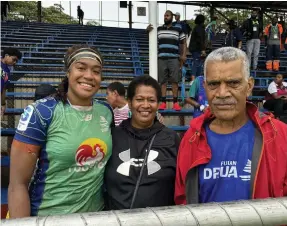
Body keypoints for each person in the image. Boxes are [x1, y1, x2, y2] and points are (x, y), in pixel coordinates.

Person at [8, 45, 114, 218]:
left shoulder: (106, 112)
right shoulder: (40, 112)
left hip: (96, 217)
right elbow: (17, 185)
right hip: (48, 218)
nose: (89, 76)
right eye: (81, 68)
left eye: (96, 71)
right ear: (68, 72)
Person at [175, 47, 287, 205]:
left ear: (249, 86)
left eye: (233, 83)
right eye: (214, 84)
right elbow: (182, 202)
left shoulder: (280, 135)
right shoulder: (191, 139)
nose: (222, 93)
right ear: (205, 88)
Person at [104, 75, 180, 210]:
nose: (145, 105)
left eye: (151, 100)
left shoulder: (171, 139)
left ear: (157, 104)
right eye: (139, 99)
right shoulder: (112, 136)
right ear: (130, 102)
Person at [147, 10, 187, 111]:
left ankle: (175, 103)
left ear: (172, 17)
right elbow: (150, 37)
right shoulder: (159, 29)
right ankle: (163, 102)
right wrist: (147, 31)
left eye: (167, 15)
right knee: (162, 81)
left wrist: (183, 54)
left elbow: (183, 42)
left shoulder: (178, 29)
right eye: (164, 15)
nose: (165, 17)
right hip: (161, 58)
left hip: (174, 58)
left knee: (174, 81)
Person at [1, 48, 22, 116]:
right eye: (14, 59)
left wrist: (3, 104)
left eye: (16, 61)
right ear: (6, 55)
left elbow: (3, 89)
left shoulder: (7, 71)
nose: (15, 62)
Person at [189, 14, 206, 82]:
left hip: (196, 48)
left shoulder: (197, 27)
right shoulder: (199, 27)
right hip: (197, 49)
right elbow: (200, 39)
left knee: (199, 64)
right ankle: (193, 80)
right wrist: (203, 50)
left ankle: (198, 80)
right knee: (196, 63)